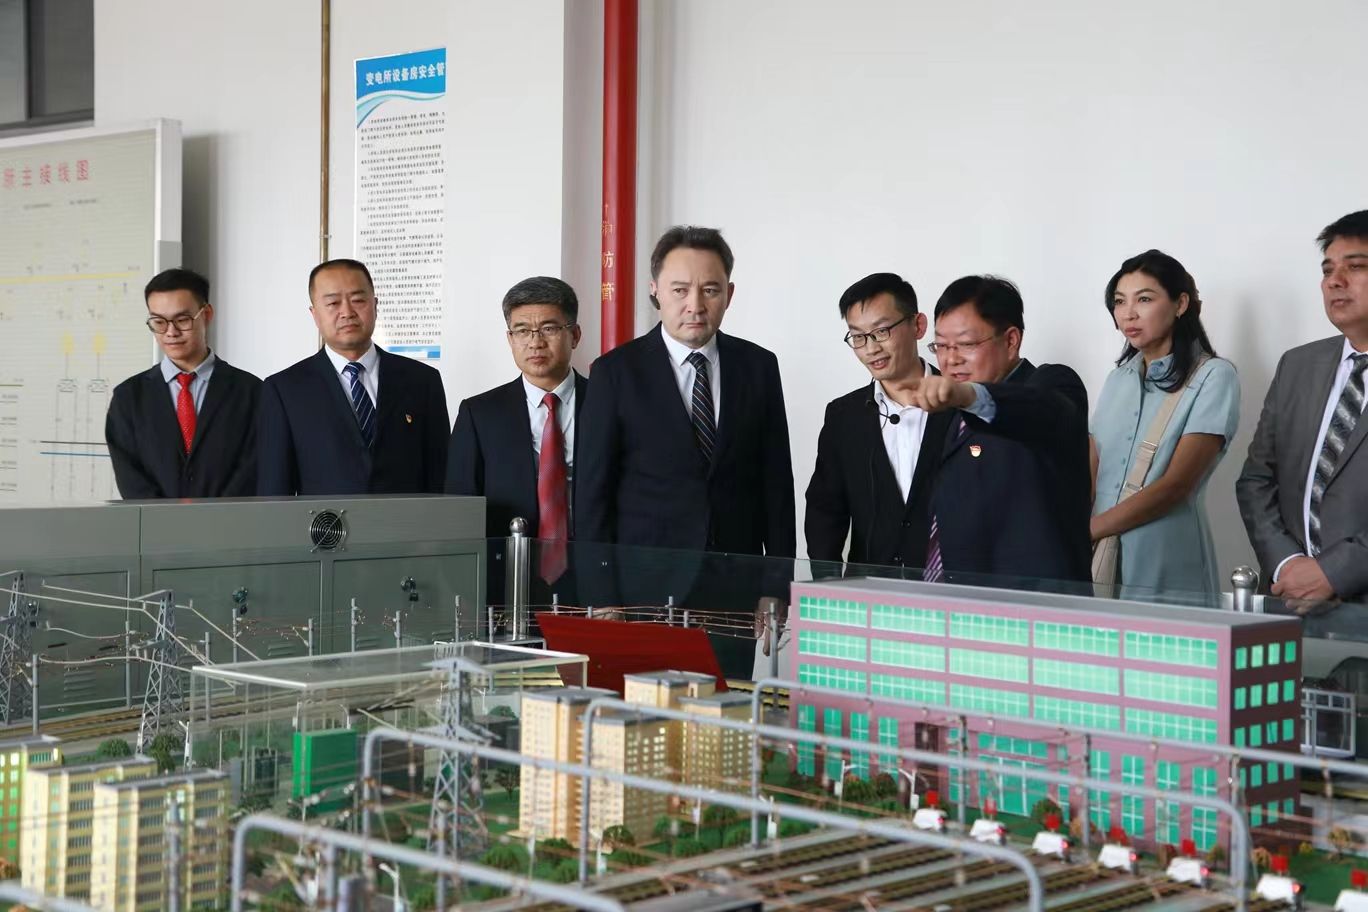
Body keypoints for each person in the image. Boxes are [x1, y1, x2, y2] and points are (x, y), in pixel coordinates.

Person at [575, 225, 796, 677]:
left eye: (710, 289)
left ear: (729, 294)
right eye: (680, 290)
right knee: (643, 711)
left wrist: (775, 586)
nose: (695, 304)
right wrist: (602, 595)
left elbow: (776, 486)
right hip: (641, 592)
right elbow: (593, 495)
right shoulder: (615, 373)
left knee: (726, 710)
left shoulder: (759, 366)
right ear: (655, 291)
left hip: (731, 591)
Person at [907, 275, 1091, 588]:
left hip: (1035, 605)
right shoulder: (951, 411)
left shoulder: (1054, 384)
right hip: (961, 600)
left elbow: (1043, 410)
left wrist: (969, 395)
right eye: (941, 346)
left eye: (966, 344)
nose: (951, 359)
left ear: (1010, 340)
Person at [1089, 250, 1239, 602]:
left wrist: (1088, 530)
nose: (1128, 313)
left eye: (1144, 299)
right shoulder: (1117, 380)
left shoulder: (1214, 376)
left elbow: (1177, 485)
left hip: (1167, 556)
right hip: (1099, 557)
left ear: (1180, 304)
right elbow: (1091, 472)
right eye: (1119, 301)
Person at [1238, 210, 1368, 606]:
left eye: (1355, 266)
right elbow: (1256, 480)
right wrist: (1287, 564)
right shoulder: (1297, 365)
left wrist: (1335, 573)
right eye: (1327, 270)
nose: (1334, 281)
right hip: (1292, 600)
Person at [446, 276, 588, 600]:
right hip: (505, 581)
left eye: (549, 328)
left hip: (592, 578)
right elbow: (460, 511)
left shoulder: (607, 405)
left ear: (575, 335)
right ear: (510, 339)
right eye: (522, 331)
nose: (535, 342)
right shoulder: (479, 414)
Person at [257, 258, 449, 496]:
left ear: (375, 305)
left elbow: (441, 476)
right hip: (325, 521)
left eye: (358, 300)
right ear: (315, 314)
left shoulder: (422, 380)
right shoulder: (284, 390)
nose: (347, 312)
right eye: (333, 303)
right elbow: (274, 490)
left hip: (408, 520)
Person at [805, 272, 953, 574]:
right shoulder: (843, 416)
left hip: (952, 590)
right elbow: (824, 514)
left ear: (918, 325)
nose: (870, 348)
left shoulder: (962, 403)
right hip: (868, 592)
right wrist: (828, 588)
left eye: (881, 331)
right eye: (858, 337)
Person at [105, 268, 261, 499]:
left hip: (229, 519)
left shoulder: (251, 392)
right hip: (154, 521)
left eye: (182, 320)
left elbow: (252, 470)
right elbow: (131, 478)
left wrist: (215, 514)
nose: (171, 332)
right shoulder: (128, 398)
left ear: (206, 315)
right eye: (159, 322)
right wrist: (166, 517)